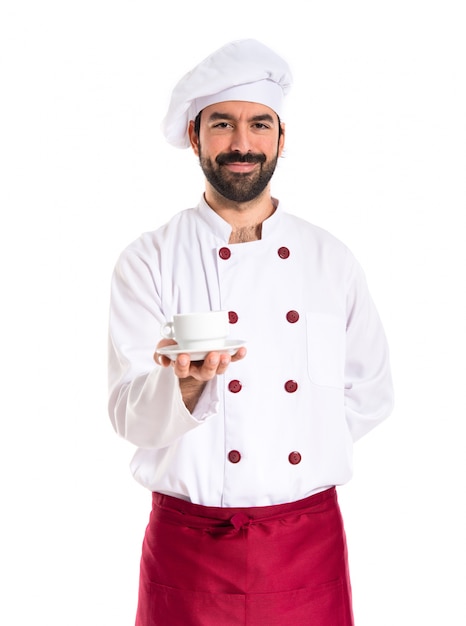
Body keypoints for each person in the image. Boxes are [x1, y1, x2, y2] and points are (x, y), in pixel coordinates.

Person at [108, 38, 394, 626]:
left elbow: (371, 391)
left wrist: (296, 447)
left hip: (306, 542)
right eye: (222, 124)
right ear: (195, 137)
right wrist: (185, 389)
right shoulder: (149, 260)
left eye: (259, 124)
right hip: (188, 548)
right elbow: (127, 416)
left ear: (281, 138)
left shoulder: (329, 259)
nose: (242, 144)